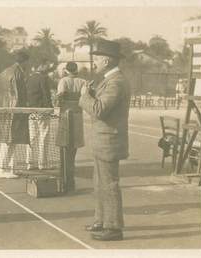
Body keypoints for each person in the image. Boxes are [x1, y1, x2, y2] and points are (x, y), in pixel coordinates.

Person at [79, 39, 130, 241]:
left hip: (109, 141)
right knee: (99, 183)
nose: (95, 63)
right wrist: (92, 93)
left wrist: (85, 96)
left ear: (107, 61)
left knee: (109, 184)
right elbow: (101, 104)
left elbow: (99, 110)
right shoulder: (109, 80)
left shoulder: (116, 82)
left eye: (98, 59)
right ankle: (101, 221)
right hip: (103, 141)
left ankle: (114, 227)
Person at [0, 49, 30, 179]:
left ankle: (8, 167)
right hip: (13, 112)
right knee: (9, 141)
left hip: (4, 111)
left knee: (9, 141)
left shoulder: (6, 71)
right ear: (24, 61)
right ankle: (2, 169)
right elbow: (19, 95)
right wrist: (22, 110)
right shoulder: (17, 73)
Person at [55, 61, 86, 192]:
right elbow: (85, 97)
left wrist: (59, 100)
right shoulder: (83, 81)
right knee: (73, 151)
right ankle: (70, 182)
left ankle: (65, 182)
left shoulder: (63, 80)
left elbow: (60, 95)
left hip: (66, 116)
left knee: (64, 150)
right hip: (77, 116)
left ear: (66, 70)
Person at [25, 59, 54, 170]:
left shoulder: (29, 78)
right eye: (46, 65)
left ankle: (30, 163)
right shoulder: (43, 78)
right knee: (44, 137)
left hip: (31, 111)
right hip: (42, 110)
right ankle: (42, 164)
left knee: (32, 137)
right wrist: (50, 108)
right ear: (41, 66)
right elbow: (46, 94)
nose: (47, 67)